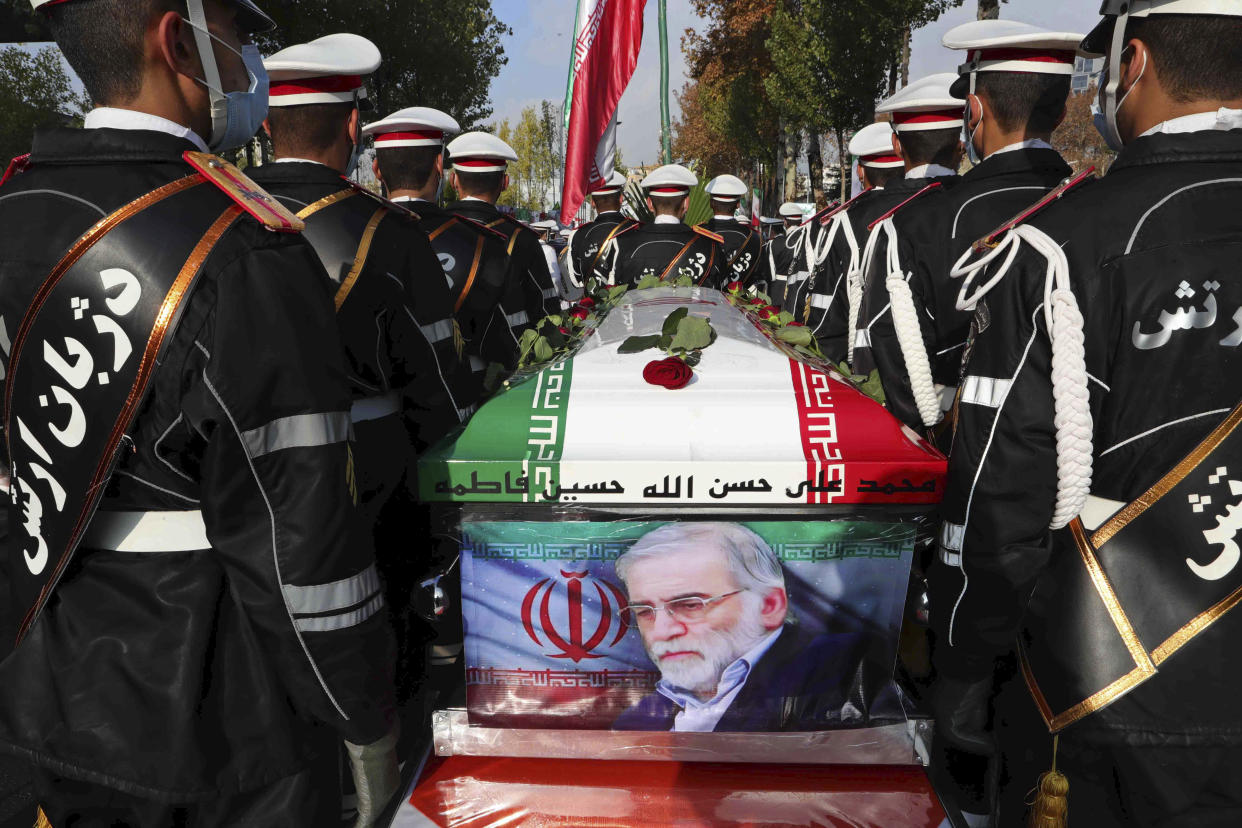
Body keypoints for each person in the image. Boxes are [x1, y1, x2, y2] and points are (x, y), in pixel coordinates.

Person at [0, 0, 400, 825]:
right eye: (240, 35)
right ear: (179, 41)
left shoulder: (14, 206)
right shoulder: (246, 247)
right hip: (217, 737)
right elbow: (305, 552)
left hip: (33, 698)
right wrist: (364, 718)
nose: (253, 57)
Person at [930, 3, 1242, 824]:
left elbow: (1007, 506)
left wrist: (965, 673)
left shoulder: (1056, 247)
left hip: (1124, 714)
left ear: (1131, 63)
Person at [252, 34, 474, 741]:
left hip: (246, 466)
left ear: (264, 123)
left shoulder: (216, 217)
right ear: (353, 127)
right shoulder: (390, 231)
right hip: (371, 462)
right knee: (386, 624)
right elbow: (436, 382)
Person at [858, 21, 1080, 435]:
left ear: (973, 111)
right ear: (1064, 114)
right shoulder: (1095, 202)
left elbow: (891, 358)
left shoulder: (917, 223)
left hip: (959, 449)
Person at [611, 523, 870, 733]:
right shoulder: (635, 723)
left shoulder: (849, 671)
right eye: (644, 612)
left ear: (768, 605)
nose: (661, 632)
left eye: (690, 605)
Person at [363, 106, 525, 399]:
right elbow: (510, 344)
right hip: (463, 399)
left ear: (376, 169)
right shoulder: (482, 242)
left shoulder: (353, 231)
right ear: (440, 165)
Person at [850, 73, 964, 377]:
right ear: (960, 145)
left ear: (897, 145)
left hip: (909, 397)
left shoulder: (864, 221)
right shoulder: (985, 204)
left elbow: (871, 332)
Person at [795, 121, 905, 364]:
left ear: (860, 171)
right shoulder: (935, 206)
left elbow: (825, 318)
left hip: (866, 365)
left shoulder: (842, 223)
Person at [444, 131, 560, 324]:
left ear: (453, 180)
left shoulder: (428, 229)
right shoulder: (521, 239)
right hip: (505, 353)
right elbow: (547, 315)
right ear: (505, 183)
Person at [594, 164, 725, 288]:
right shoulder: (709, 245)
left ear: (650, 204)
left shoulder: (622, 243)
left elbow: (611, 294)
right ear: (686, 203)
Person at [564, 170, 638, 294]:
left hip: (591, 309)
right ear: (620, 199)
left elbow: (575, 280)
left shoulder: (578, 234)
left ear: (592, 202)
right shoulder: (636, 229)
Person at [702, 174, 763, 288]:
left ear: (711, 203)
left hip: (704, 303)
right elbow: (758, 275)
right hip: (740, 304)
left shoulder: (698, 234)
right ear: (738, 204)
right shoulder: (751, 237)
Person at [761, 201, 812, 306]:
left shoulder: (774, 243)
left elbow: (771, 275)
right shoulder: (809, 241)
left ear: (785, 222)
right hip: (802, 290)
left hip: (778, 292)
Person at [530, 219, 566, 303]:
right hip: (544, 296)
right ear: (546, 234)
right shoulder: (548, 250)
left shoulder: (526, 247)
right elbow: (555, 278)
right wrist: (555, 297)